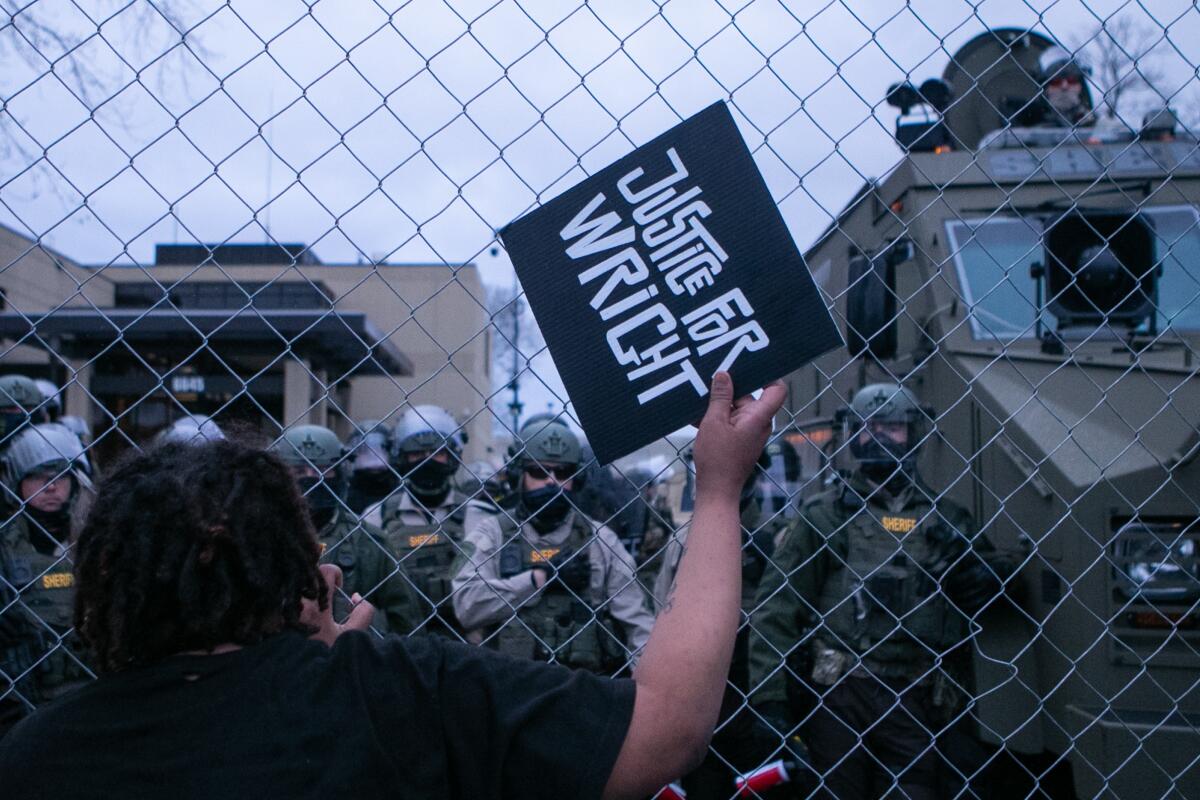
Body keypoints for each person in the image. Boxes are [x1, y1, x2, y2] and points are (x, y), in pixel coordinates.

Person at [0, 372, 786, 800]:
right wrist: (717, 493)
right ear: (297, 571)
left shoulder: (38, 756)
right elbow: (670, 725)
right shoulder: (389, 693)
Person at [749, 383, 1017, 800]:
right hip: (841, 695)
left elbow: (992, 580)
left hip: (918, 697)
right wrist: (770, 702)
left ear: (913, 432)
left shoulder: (946, 519)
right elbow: (774, 611)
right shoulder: (825, 516)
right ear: (851, 434)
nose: (876, 436)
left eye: (891, 426)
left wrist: (988, 577)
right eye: (866, 427)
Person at [652, 448, 803, 798]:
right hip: (700, 680)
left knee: (762, 781)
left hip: (756, 680)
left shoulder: (778, 537)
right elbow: (663, 607)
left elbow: (792, 610)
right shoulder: (684, 539)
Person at [451, 419, 655, 673]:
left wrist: (645, 685)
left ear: (576, 479)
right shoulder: (492, 533)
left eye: (563, 473)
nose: (551, 481)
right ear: (518, 474)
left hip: (582, 686)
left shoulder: (601, 540)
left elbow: (638, 624)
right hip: (508, 687)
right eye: (538, 471)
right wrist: (540, 579)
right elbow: (466, 605)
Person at [269, 425, 409, 636]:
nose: (312, 479)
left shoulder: (370, 542)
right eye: (299, 471)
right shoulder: (261, 540)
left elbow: (406, 621)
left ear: (339, 473)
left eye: (323, 470)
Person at [0, 424, 95, 734]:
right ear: (17, 483)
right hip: (23, 699)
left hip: (89, 691)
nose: (51, 486)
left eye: (59, 475)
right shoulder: (6, 545)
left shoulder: (97, 539)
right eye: (38, 476)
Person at [374, 405, 472, 638]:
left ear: (451, 456)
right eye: (417, 454)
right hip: (398, 644)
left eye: (437, 453)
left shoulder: (479, 515)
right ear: (401, 458)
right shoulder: (375, 517)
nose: (427, 462)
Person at [345, 420, 398, 515]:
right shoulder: (347, 495)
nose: (373, 458)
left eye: (379, 451)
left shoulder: (398, 492)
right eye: (365, 451)